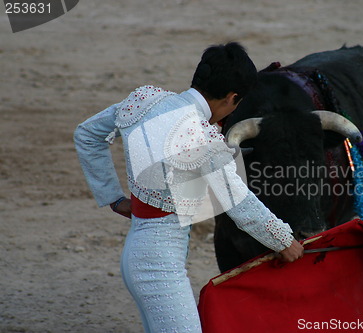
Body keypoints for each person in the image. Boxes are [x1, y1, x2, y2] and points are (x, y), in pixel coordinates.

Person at [74, 42, 304, 333]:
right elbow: (239, 203)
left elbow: (87, 134)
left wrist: (114, 198)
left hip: (140, 249)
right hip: (158, 267)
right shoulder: (201, 137)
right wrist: (284, 240)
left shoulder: (146, 100)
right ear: (233, 98)